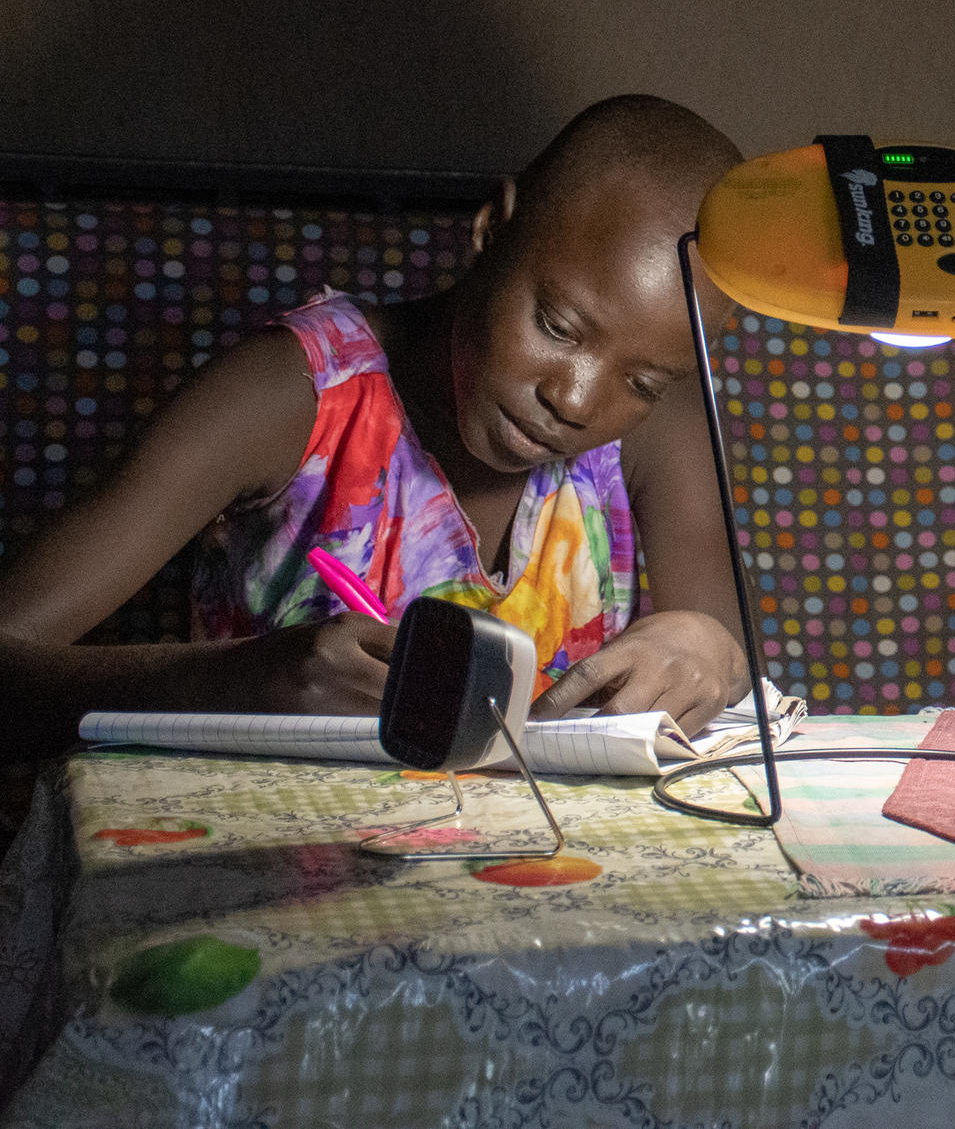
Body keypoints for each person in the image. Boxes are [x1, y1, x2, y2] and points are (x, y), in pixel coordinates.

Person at [0, 94, 752, 742]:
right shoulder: (295, 393)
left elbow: (733, 678)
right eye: (556, 327)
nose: (578, 401)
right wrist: (236, 684)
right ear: (492, 228)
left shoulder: (653, 429)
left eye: (645, 380)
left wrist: (709, 648)